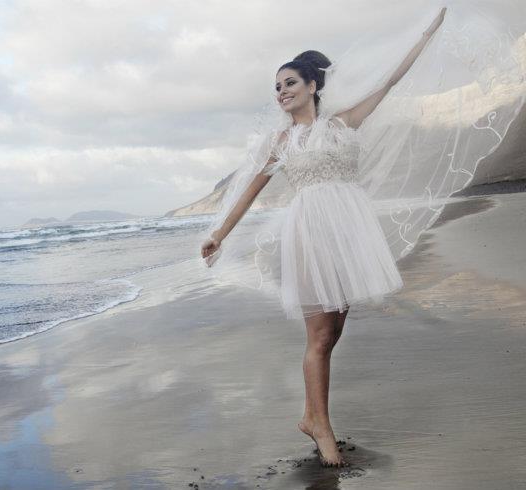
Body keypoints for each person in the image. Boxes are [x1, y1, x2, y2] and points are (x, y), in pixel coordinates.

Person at [200, 3, 525, 468]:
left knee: (333, 332)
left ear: (313, 85)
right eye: (276, 88)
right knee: (318, 334)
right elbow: (249, 191)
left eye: (289, 83)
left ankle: (312, 416)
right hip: (310, 233)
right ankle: (322, 426)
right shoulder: (281, 143)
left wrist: (429, 32)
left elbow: (390, 79)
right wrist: (219, 234)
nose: (281, 92)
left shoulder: (342, 123)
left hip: (348, 233)